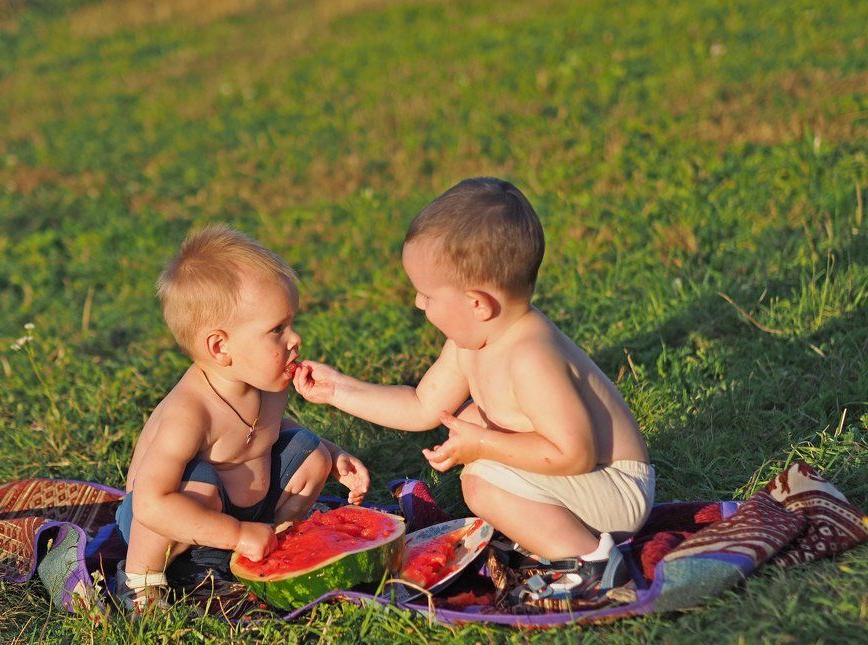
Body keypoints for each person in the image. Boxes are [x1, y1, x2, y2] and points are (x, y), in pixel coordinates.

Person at [293, 178, 653, 600]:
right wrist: (338, 389)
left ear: (477, 303)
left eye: (427, 295)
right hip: (580, 479)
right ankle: (546, 539)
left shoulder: (531, 357)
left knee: (480, 481)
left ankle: (592, 566)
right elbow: (422, 406)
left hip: (614, 488)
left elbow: (573, 453)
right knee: (464, 419)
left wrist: (483, 445)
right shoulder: (473, 342)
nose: (418, 304)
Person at [115, 225, 369, 611]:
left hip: (248, 512)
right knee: (196, 483)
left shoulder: (268, 383)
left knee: (311, 453)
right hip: (172, 523)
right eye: (277, 330)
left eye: (291, 323)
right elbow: (151, 504)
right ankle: (141, 585)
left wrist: (333, 454)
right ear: (220, 347)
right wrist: (234, 533)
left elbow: (263, 433)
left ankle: (277, 540)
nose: (295, 338)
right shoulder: (189, 412)